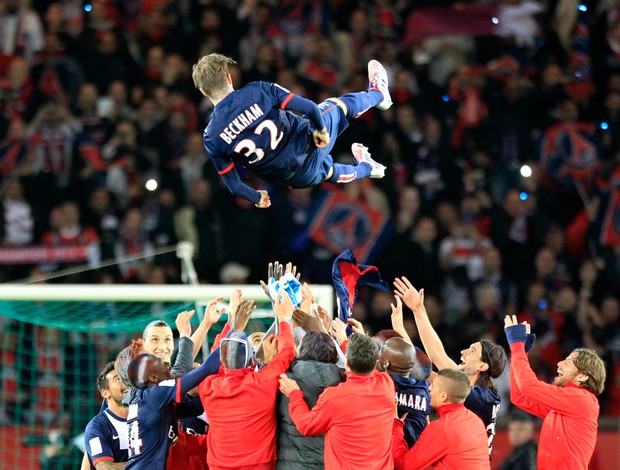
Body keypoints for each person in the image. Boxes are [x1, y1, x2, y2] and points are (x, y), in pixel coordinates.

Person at [191, 53, 392, 208]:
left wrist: (257, 197)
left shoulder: (211, 137)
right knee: (335, 105)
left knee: (326, 171)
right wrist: (321, 129)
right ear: (229, 77)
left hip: (292, 179)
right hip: (307, 144)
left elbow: (235, 186)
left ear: (203, 91)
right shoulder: (257, 90)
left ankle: (368, 169)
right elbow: (309, 108)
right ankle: (378, 94)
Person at [394, 277, 507, 453]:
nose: (463, 352)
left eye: (471, 352)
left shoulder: (484, 398)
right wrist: (402, 332)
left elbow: (437, 356)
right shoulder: (468, 391)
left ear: (482, 366)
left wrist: (418, 310)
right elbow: (423, 371)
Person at [198, 291, 295, 470]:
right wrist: (284, 319)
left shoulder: (208, 386)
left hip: (219, 466)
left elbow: (213, 357)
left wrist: (231, 324)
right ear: (252, 360)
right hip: (259, 465)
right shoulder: (262, 382)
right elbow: (287, 354)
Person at [278, 333, 395, 470]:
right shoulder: (387, 385)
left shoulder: (334, 397)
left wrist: (294, 394)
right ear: (375, 362)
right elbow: (371, 370)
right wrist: (345, 342)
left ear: (347, 363)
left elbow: (306, 425)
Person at [504, 315, 606, 469]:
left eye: (569, 361)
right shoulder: (563, 406)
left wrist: (517, 346)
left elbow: (528, 387)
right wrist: (519, 352)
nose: (559, 363)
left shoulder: (582, 399)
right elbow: (519, 396)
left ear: (583, 376)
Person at [392, 368, 490, 469]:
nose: (429, 388)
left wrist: (396, 428)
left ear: (443, 396)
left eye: (433, 386)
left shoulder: (442, 428)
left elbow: (404, 465)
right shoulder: (476, 420)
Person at [276, 331, 345, 470]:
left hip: (291, 463)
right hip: (331, 463)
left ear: (301, 350)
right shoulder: (345, 382)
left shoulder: (284, 381)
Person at [377, 337, 431, 447]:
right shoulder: (427, 390)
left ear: (386, 363)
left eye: (382, 349)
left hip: (386, 454)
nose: (379, 351)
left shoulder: (378, 384)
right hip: (415, 455)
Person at [84, 362, 129, 469]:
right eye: (118, 379)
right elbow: (105, 468)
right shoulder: (96, 427)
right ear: (105, 393)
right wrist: (144, 465)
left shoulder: (145, 417)